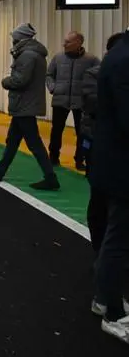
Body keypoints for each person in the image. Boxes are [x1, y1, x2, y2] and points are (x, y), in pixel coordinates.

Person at [90, 29, 129, 341]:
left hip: (110, 162)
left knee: (112, 235)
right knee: (118, 240)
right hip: (121, 166)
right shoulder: (124, 61)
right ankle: (113, 310)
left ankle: (105, 298)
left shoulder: (116, 57)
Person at [0, 23, 60, 190]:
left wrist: (5, 81)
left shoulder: (27, 56)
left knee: (33, 143)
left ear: (19, 38)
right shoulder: (34, 54)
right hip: (26, 104)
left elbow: (19, 80)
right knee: (13, 140)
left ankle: (50, 177)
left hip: (24, 104)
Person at [82, 32, 125, 256]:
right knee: (100, 205)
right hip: (100, 145)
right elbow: (92, 103)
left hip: (108, 148)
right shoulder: (96, 74)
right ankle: (101, 254)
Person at [45, 31, 100, 169]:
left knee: (81, 132)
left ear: (79, 43)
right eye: (65, 41)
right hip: (60, 100)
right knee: (56, 130)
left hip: (81, 102)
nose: (64, 44)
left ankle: (80, 160)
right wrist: (53, 88)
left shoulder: (91, 60)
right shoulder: (58, 58)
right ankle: (53, 156)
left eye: (68, 42)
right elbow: (49, 75)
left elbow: (98, 76)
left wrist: (89, 93)